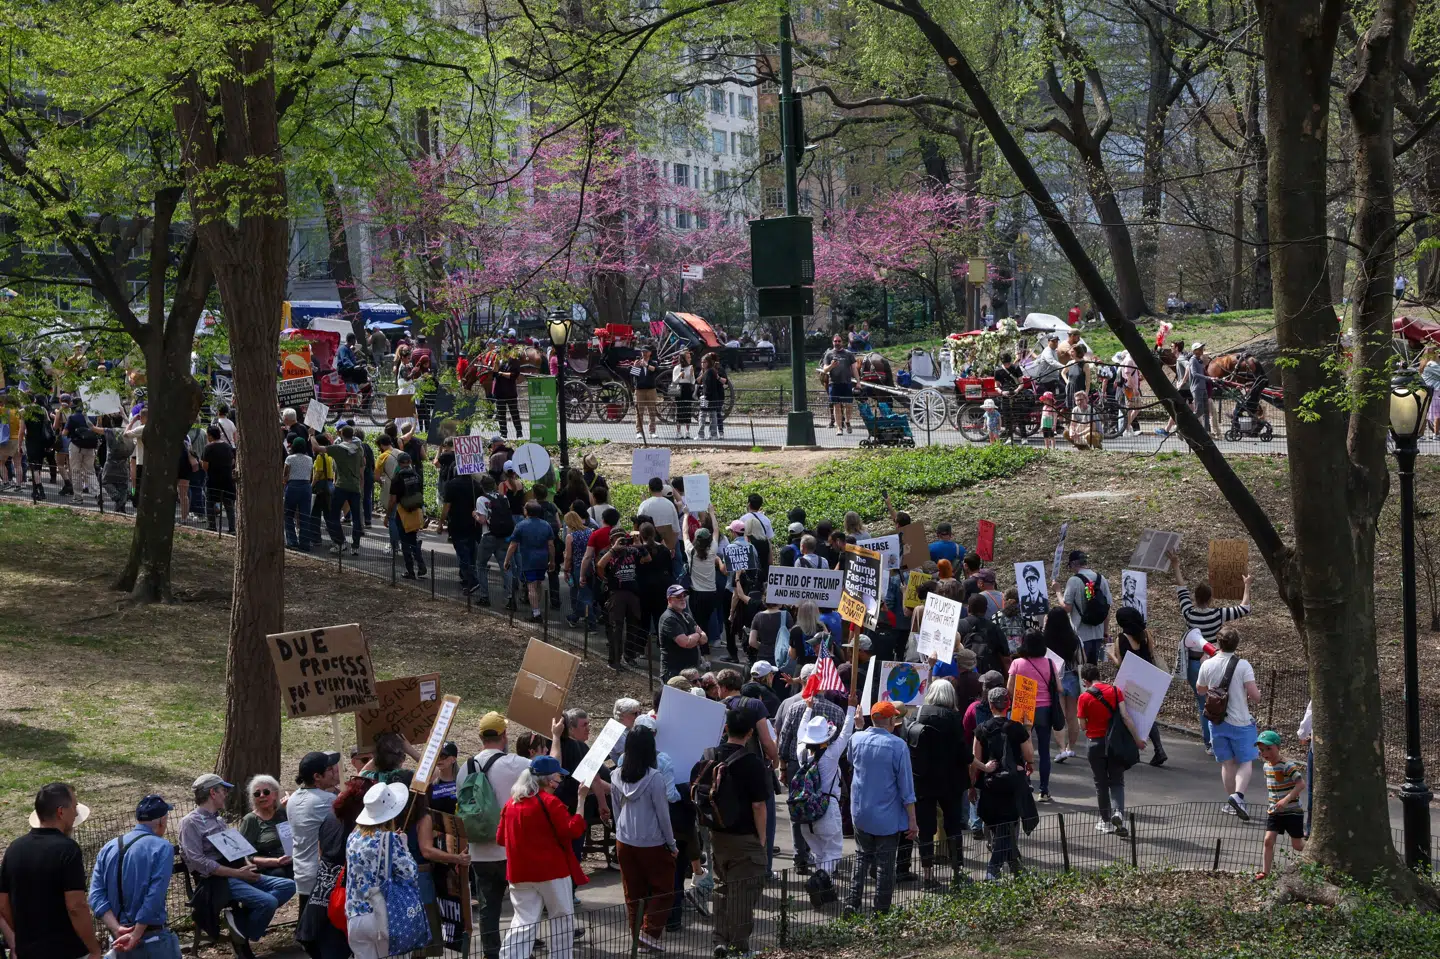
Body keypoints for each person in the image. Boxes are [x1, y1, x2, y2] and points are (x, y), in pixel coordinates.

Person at [178, 773, 296, 956]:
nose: (226, 794)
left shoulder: (218, 820)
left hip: (237, 873)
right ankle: (243, 934)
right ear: (213, 793)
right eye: (223, 790)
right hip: (215, 882)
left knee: (288, 885)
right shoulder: (190, 823)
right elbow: (199, 863)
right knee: (269, 902)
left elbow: (237, 850)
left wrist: (247, 865)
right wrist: (238, 873)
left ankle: (240, 926)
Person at [695, 702, 771, 958]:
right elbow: (759, 805)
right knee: (743, 894)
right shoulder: (752, 763)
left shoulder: (709, 756)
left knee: (722, 889)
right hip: (745, 838)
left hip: (717, 835)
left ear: (726, 728)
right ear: (750, 732)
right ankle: (740, 948)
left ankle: (720, 940)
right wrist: (761, 839)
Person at [496, 756, 590, 959]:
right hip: (552, 871)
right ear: (549, 780)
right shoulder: (551, 802)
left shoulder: (511, 804)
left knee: (523, 921)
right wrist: (581, 800)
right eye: (559, 777)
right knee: (561, 918)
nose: (560, 780)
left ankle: (511, 956)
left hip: (519, 873)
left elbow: (500, 838)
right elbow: (573, 830)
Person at [0, 782, 101, 959]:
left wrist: (23, 937)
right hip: (67, 951)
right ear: (61, 812)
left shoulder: (14, 849)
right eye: (74, 807)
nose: (76, 813)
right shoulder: (68, 850)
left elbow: (3, 902)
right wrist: (94, 949)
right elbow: (76, 906)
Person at [467, 712, 532, 959]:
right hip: (511, 849)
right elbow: (550, 766)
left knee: (488, 907)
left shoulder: (466, 767)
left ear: (480, 737)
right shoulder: (514, 763)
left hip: (479, 851)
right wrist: (556, 737)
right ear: (504, 735)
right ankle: (519, 951)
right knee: (522, 905)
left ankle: (491, 953)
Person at [843, 700, 917, 915]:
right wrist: (912, 820)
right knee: (885, 865)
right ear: (892, 720)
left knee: (861, 857)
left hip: (860, 812)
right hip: (887, 817)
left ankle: (852, 903)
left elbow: (851, 760)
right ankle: (881, 910)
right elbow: (906, 787)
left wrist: (859, 729)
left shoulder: (856, 739)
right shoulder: (898, 746)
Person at [88, 794, 179, 959]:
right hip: (152, 942)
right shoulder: (162, 847)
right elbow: (155, 894)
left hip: (118, 942)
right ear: (162, 820)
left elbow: (95, 896)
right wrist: (135, 934)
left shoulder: (108, 847)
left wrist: (116, 929)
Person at [898, 681, 970, 889]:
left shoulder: (917, 714)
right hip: (951, 781)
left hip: (923, 780)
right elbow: (963, 752)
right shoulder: (953, 717)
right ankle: (957, 872)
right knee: (953, 826)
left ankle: (928, 874)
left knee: (926, 829)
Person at [612, 725, 677, 952]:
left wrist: (620, 832)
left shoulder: (616, 775)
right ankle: (648, 933)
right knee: (665, 889)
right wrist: (671, 843)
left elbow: (616, 809)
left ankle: (638, 939)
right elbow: (663, 815)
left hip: (624, 840)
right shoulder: (655, 778)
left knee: (633, 893)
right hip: (652, 841)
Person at [346, 782, 427, 959]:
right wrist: (404, 845)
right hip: (382, 913)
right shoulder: (391, 839)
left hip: (355, 915)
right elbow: (410, 873)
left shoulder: (352, 837)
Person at [1196, 625, 1263, 819]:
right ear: (1237, 644)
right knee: (1246, 762)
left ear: (1218, 643)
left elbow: (1200, 690)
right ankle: (1238, 796)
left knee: (1227, 764)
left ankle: (1232, 803)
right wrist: (1253, 694)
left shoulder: (1207, 664)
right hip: (1241, 721)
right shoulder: (1243, 665)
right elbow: (1255, 696)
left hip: (1217, 721)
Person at [794, 695, 857, 897]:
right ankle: (818, 881)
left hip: (806, 810)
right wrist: (851, 708)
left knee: (819, 852)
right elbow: (846, 732)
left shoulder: (802, 752)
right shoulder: (830, 755)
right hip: (827, 807)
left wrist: (808, 709)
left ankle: (824, 891)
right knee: (833, 851)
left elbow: (800, 732)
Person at [972, 686, 1034, 880]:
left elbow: (975, 760)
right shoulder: (1017, 728)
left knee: (1000, 827)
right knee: (1008, 827)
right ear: (1008, 705)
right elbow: (1029, 756)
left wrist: (972, 785)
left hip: (990, 785)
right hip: (1012, 785)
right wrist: (1028, 729)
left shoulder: (981, 729)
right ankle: (995, 869)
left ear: (990, 705)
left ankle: (1014, 868)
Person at [1076, 663, 1147, 835]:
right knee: (1117, 781)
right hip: (1114, 743)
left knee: (1100, 784)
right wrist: (1137, 740)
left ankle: (1105, 821)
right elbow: (1126, 717)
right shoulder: (1115, 691)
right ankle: (1118, 813)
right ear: (1099, 675)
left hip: (1095, 744)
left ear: (1085, 681)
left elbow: (1082, 726)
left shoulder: (1084, 698)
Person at [1108, 607, 1169, 766]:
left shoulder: (1121, 639)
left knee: (1128, 714)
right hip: (1148, 679)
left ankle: (1131, 752)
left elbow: (1121, 664)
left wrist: (1111, 655)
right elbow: (1151, 654)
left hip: (1130, 682)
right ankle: (1159, 749)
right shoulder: (1146, 635)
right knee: (1147, 714)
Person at [1006, 630, 1060, 801]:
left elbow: (1009, 689)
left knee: (1022, 748)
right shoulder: (1050, 663)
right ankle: (1044, 790)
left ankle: (1026, 783)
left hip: (1023, 709)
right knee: (1044, 751)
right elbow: (1059, 688)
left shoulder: (1017, 663)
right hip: (1044, 709)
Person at [289, 750, 342, 915]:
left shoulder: (293, 798)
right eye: (330, 769)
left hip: (301, 871)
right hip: (322, 875)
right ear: (317, 776)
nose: (334, 772)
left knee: (305, 920)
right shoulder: (326, 800)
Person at [1255, 730, 1305, 879]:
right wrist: (1275, 803)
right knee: (1268, 840)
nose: (1265, 753)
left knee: (1298, 845)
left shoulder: (1287, 765)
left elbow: (1301, 784)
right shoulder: (1266, 766)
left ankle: (1318, 854)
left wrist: (1286, 800)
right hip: (1275, 811)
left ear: (1278, 747)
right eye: (1262, 750)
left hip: (1292, 810)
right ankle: (1265, 872)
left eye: (1268, 749)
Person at [1057, 550, 1111, 664]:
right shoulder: (1101, 579)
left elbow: (1067, 608)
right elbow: (1107, 608)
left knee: (1080, 668)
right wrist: (1105, 631)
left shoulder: (1074, 581)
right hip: (1098, 633)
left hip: (1081, 634)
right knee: (1092, 668)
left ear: (1073, 564)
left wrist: (1058, 592)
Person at [505, 501, 556, 622]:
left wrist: (507, 560)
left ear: (526, 511)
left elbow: (513, 545)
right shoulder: (546, 525)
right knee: (538, 584)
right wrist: (552, 561)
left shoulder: (521, 525)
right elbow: (551, 545)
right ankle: (536, 607)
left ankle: (536, 613)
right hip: (542, 559)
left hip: (528, 559)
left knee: (531, 586)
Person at [318, 425, 365, 555]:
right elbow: (362, 470)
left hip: (341, 486)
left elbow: (317, 448)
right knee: (356, 519)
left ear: (341, 434)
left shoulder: (338, 448)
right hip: (355, 487)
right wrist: (361, 486)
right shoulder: (359, 449)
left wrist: (311, 435)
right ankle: (355, 546)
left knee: (333, 515)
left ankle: (340, 542)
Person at [237, 775, 293, 877]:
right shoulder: (250, 820)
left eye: (266, 792)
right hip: (268, 868)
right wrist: (276, 862)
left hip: (292, 861)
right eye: (257, 794)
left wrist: (291, 808)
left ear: (275, 794)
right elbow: (246, 855)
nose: (262, 795)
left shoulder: (283, 813)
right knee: (280, 873)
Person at [387, 451, 428, 580]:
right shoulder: (417, 476)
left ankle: (410, 571)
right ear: (410, 462)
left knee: (405, 542)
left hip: (402, 512)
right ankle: (421, 566)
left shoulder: (397, 478)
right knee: (413, 539)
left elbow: (393, 500)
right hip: (416, 511)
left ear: (399, 463)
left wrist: (387, 515)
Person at [658, 584, 705, 679]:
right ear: (669, 599)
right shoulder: (669, 618)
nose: (683, 599)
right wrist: (698, 635)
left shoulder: (687, 616)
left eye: (684, 596)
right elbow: (685, 643)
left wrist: (695, 638)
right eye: (678, 596)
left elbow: (704, 639)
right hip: (674, 673)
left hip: (690, 672)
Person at [63, 396, 100, 506]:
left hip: (76, 446)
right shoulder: (92, 417)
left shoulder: (72, 417)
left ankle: (78, 497)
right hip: (90, 447)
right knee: (90, 471)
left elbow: (65, 433)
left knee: (76, 472)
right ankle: (97, 493)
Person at [200, 423, 236, 533]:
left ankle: (212, 526)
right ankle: (232, 528)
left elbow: (205, 466)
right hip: (227, 480)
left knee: (210, 503)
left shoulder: (208, 448)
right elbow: (233, 461)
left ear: (210, 436)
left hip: (213, 480)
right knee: (229, 505)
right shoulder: (227, 447)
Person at [284, 435, 315, 551]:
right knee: (305, 516)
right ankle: (305, 543)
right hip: (306, 487)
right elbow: (311, 474)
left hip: (292, 486)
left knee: (288, 514)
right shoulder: (310, 459)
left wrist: (285, 483)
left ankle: (292, 541)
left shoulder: (289, 458)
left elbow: (285, 474)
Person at [821, 334, 856, 435]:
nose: (837, 343)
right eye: (835, 341)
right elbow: (825, 370)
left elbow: (854, 369)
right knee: (836, 406)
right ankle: (839, 428)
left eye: (839, 341)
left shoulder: (849, 354)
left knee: (849, 405)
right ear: (833, 342)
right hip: (834, 383)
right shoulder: (829, 354)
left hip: (847, 383)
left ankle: (847, 421)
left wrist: (858, 382)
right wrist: (831, 366)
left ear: (842, 342)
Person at [490, 349, 523, 439]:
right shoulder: (500, 362)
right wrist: (496, 364)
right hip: (499, 393)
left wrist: (502, 373)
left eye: (505, 352)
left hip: (510, 393)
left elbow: (514, 375)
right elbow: (494, 375)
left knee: (514, 413)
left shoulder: (515, 362)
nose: (503, 354)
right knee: (501, 415)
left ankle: (519, 432)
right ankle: (503, 432)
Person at [632, 344, 661, 439]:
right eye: (642, 352)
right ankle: (639, 431)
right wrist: (635, 366)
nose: (644, 353)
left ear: (650, 353)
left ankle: (652, 431)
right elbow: (633, 376)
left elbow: (656, 370)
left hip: (651, 389)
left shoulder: (653, 362)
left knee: (652, 411)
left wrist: (646, 365)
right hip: (639, 390)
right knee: (639, 412)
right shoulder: (638, 362)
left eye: (646, 352)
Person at [1189, 342, 1213, 436]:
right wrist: (1207, 378)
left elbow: (1204, 374)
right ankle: (1184, 425)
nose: (1202, 350)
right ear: (1194, 351)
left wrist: (1212, 378)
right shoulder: (1193, 360)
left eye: (1202, 348)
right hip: (1197, 388)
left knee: (1206, 411)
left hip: (1203, 388)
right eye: (1200, 349)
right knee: (1199, 411)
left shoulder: (1199, 361)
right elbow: (1194, 374)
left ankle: (1207, 432)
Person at [673, 349, 697, 438]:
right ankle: (678, 431)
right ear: (683, 359)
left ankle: (687, 431)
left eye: (690, 357)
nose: (690, 359)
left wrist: (691, 374)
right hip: (679, 387)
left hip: (687, 388)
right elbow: (674, 381)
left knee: (687, 409)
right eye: (688, 357)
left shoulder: (690, 367)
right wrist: (680, 375)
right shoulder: (677, 368)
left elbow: (693, 381)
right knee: (679, 410)